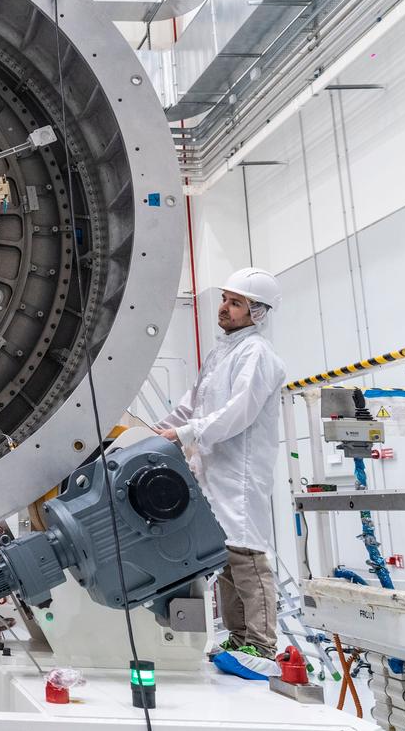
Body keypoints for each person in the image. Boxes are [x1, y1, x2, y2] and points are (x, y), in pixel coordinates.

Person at [154, 267, 286, 658]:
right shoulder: (221, 352)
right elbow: (190, 404)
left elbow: (238, 411)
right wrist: (152, 434)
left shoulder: (258, 354)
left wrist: (186, 434)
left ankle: (262, 646)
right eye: (225, 299)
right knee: (224, 555)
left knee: (247, 556)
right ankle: (238, 638)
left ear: (257, 313)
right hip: (213, 469)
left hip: (240, 473)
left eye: (235, 303)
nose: (224, 308)